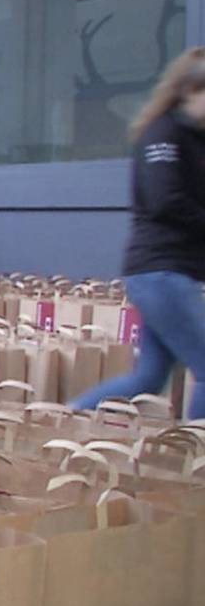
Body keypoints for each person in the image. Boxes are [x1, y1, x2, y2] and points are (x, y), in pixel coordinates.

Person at [74, 46, 205, 421]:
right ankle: (193, 464)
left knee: (148, 376)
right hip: (162, 272)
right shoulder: (163, 135)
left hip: (174, 274)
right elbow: (165, 200)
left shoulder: (195, 139)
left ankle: (66, 420)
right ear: (189, 90)